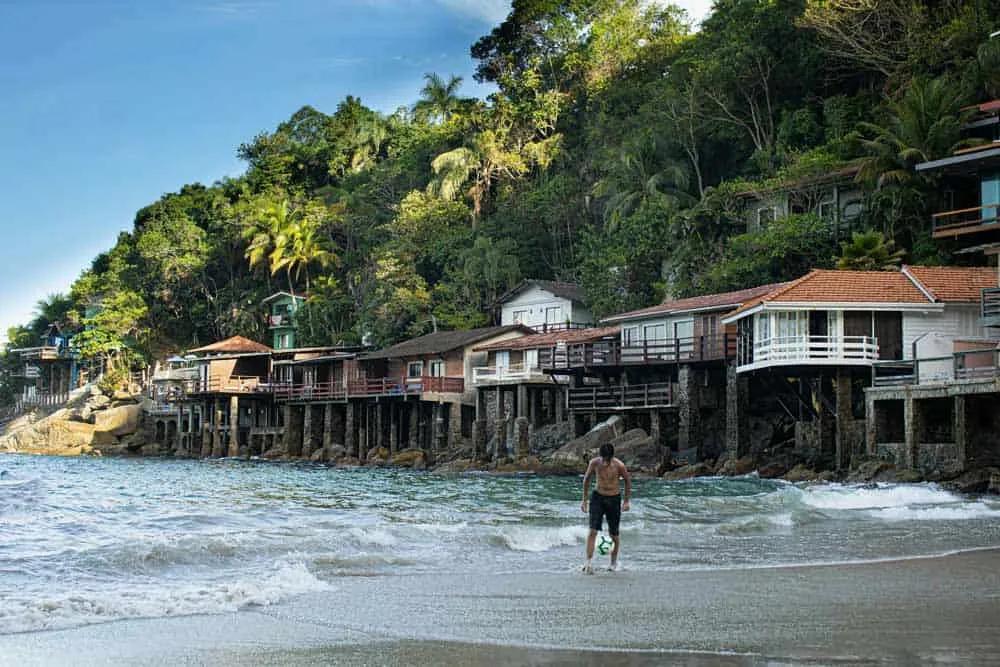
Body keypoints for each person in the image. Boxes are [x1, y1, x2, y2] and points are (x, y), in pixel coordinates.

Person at [580, 442, 631, 573]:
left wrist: (626, 501)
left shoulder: (619, 465)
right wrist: (584, 500)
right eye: (603, 458)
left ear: (611, 457)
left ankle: (613, 563)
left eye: (607, 459)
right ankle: (588, 562)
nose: (604, 462)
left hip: (614, 499)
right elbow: (586, 480)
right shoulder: (594, 463)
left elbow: (627, 481)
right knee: (593, 530)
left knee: (614, 534)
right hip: (598, 498)